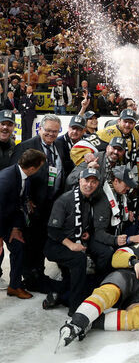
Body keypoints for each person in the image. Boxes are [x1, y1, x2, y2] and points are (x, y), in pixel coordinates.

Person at [55, 229, 139, 351]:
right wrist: (135, 262)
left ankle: (91, 322)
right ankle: (75, 323)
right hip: (130, 275)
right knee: (110, 291)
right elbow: (118, 256)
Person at [44, 168, 115, 315]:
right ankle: (74, 308)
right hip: (56, 244)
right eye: (86, 180)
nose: (89, 184)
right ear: (79, 181)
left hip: (76, 240)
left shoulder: (88, 200)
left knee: (103, 254)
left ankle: (66, 294)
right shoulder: (65, 200)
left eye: (93, 182)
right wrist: (71, 245)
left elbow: (80, 224)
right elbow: (52, 230)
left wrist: (85, 233)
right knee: (79, 259)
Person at [11, 113, 65, 292]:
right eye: (48, 130)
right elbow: (16, 178)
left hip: (51, 205)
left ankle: (38, 273)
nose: (51, 134)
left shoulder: (58, 145)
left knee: (41, 241)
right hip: (31, 206)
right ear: (40, 128)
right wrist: (25, 200)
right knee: (29, 242)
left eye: (55, 132)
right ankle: (29, 277)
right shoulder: (26, 147)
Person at [0, 149, 46, 299]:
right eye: (40, 167)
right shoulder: (5, 181)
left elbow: (17, 203)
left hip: (8, 220)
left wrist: (15, 228)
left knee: (19, 247)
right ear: (32, 168)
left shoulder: (23, 176)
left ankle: (14, 286)